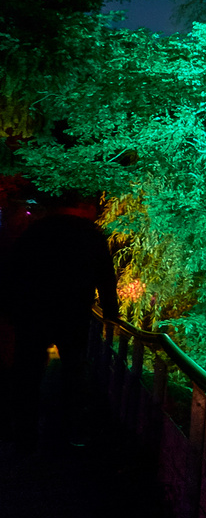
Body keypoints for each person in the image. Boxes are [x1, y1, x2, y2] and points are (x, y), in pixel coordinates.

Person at [1, 191, 118, 448]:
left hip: (33, 310)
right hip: (73, 310)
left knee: (28, 369)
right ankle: (71, 429)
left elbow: (14, 270)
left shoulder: (36, 231)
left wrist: (11, 310)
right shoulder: (92, 234)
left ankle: (23, 428)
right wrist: (111, 312)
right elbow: (105, 275)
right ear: (82, 207)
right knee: (73, 369)